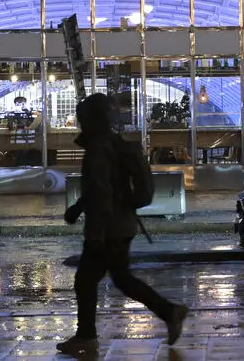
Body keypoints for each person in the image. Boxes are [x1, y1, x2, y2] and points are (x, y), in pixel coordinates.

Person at [57, 93, 188, 356]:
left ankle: (86, 337)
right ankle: (170, 312)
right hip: (122, 224)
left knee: (85, 281)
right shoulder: (113, 144)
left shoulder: (98, 148)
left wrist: (95, 234)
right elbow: (105, 187)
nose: (80, 124)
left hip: (108, 228)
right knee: (122, 278)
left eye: (82, 119)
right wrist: (78, 208)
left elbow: (101, 192)